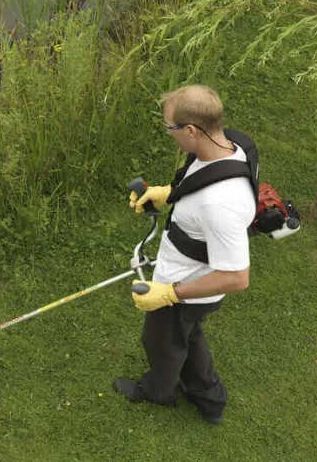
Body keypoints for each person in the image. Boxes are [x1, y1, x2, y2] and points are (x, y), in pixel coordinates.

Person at [114, 85, 255, 425]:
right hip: (184, 272)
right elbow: (202, 184)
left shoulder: (220, 205)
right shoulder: (230, 146)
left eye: (170, 128)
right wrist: (169, 194)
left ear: (191, 130)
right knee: (187, 335)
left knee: (161, 340)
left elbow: (237, 277)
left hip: (188, 285)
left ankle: (157, 391)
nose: (168, 133)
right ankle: (210, 400)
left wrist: (170, 293)